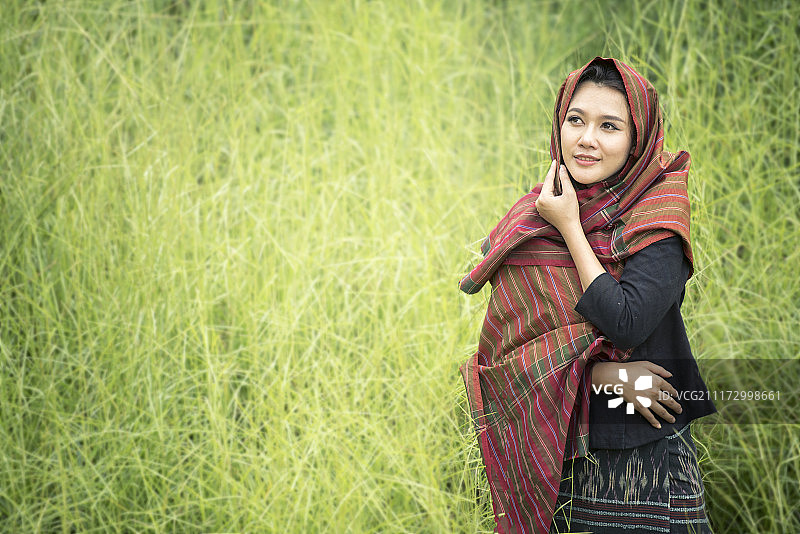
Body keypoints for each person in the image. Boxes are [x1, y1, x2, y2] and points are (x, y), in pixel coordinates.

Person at [458, 57, 717, 534]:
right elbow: (504, 356)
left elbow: (627, 322)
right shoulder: (533, 220)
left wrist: (571, 228)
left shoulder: (656, 222)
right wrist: (600, 374)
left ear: (636, 138)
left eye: (609, 126)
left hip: (649, 465)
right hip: (561, 467)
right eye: (575, 120)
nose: (586, 138)